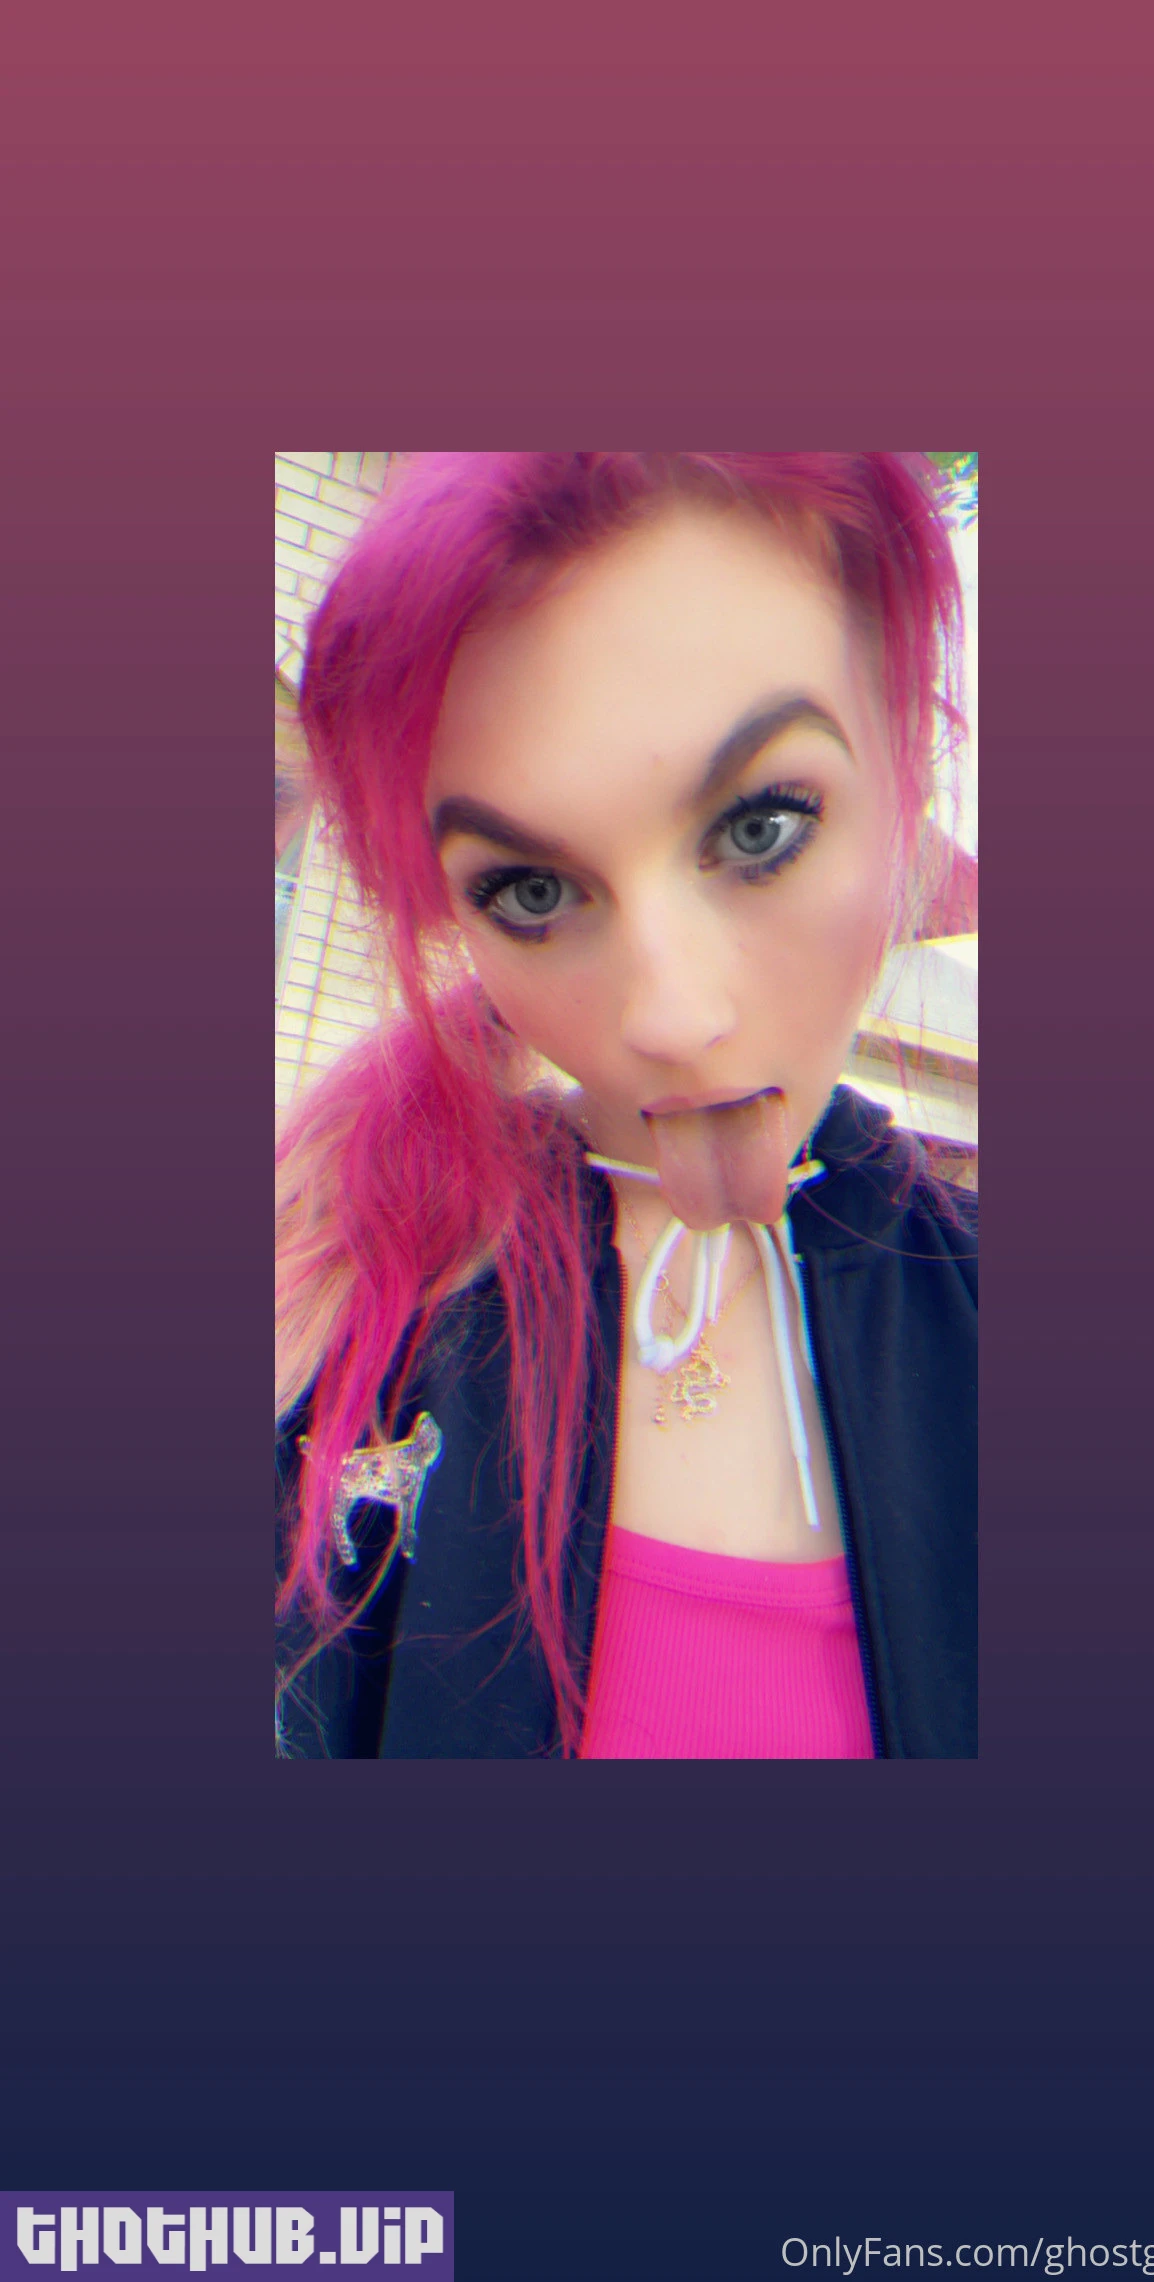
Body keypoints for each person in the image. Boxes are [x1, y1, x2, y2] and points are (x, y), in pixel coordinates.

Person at [275, 453, 977, 1760]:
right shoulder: (343, 1311)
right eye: (533, 892)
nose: (671, 1016)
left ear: (907, 769)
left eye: (762, 826)